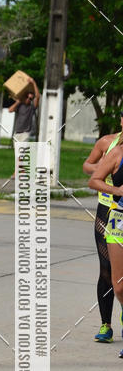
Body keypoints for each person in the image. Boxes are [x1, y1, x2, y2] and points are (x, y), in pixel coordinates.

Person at [83, 117, 123, 342]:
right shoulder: (108, 143)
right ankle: (105, 325)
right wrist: (105, 165)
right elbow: (87, 166)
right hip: (107, 211)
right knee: (107, 269)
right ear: (121, 121)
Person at [9, 78, 40, 178]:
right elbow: (10, 110)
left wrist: (33, 83)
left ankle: (16, 172)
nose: (28, 100)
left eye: (30, 98)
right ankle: (21, 171)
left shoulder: (32, 108)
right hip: (17, 132)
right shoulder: (20, 105)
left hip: (25, 133)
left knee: (21, 153)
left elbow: (38, 97)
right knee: (18, 154)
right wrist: (18, 102)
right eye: (27, 97)